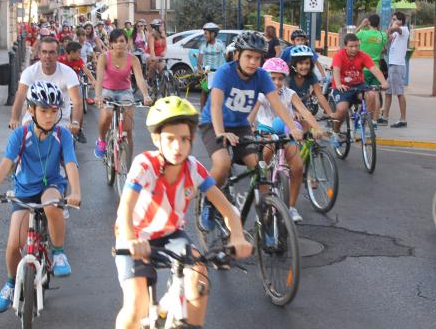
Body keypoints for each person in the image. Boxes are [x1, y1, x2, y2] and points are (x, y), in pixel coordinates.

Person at [114, 96, 252, 329]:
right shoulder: (144, 164)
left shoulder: (193, 168)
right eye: (170, 139)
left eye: (184, 139)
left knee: (199, 278)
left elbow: (227, 209)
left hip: (171, 234)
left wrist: (237, 236)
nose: (178, 147)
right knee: (136, 306)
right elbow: (125, 207)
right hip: (136, 235)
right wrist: (130, 240)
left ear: (192, 140)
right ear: (156, 139)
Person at [0, 81, 82, 313]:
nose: (49, 116)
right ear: (31, 110)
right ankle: (10, 283)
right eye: (43, 110)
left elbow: (70, 164)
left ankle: (58, 253)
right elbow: (6, 163)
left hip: (51, 186)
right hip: (24, 191)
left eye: (54, 111)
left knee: (51, 204)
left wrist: (75, 192)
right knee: (14, 244)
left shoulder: (62, 135)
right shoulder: (20, 134)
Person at [197, 31, 303, 229]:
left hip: (240, 125)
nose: (253, 62)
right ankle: (208, 201)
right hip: (213, 124)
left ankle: (266, 221)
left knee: (259, 168)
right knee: (223, 164)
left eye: (257, 58)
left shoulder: (262, 76)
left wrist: (291, 126)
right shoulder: (224, 72)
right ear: (237, 55)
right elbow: (215, 107)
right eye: (248, 56)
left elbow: (277, 104)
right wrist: (221, 133)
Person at [249, 58, 323, 222]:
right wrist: (250, 129)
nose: (277, 82)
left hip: (284, 130)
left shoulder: (290, 94)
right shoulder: (262, 94)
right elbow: (253, 114)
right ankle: (263, 199)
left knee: (297, 166)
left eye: (280, 78)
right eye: (272, 78)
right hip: (266, 129)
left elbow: (304, 111)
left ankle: (291, 207)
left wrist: (316, 128)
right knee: (264, 161)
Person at [9, 37, 83, 140]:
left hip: (60, 119)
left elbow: (77, 101)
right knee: (23, 141)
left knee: (66, 147)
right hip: (34, 118)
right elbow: (20, 96)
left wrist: (75, 122)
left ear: (58, 54)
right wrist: (14, 118)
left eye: (52, 52)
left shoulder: (68, 72)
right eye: (44, 52)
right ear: (39, 54)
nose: (47, 56)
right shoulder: (29, 72)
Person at [94, 29, 152, 159]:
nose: (119, 44)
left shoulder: (133, 59)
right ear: (111, 44)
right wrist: (98, 96)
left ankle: (129, 163)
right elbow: (99, 79)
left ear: (127, 43)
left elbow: (140, 79)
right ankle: (101, 140)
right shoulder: (104, 57)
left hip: (125, 92)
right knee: (107, 114)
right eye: (115, 41)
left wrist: (146, 95)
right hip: (107, 90)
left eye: (122, 41)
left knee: (128, 129)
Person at [330, 34, 388, 147]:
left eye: (357, 46)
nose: (354, 49)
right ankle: (335, 133)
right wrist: (338, 84)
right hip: (343, 88)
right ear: (345, 46)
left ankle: (364, 123)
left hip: (358, 86)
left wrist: (383, 82)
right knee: (341, 110)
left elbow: (374, 69)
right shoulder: (339, 55)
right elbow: (336, 70)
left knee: (371, 95)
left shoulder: (363, 56)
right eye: (351, 46)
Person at [58, 41, 97, 143]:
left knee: (79, 105)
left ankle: (79, 130)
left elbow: (86, 70)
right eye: (78, 52)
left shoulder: (79, 61)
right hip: (62, 87)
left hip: (75, 86)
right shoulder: (60, 61)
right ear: (71, 52)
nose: (80, 55)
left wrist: (93, 80)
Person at [287, 45, 335, 121]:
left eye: (307, 63)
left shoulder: (311, 76)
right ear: (294, 64)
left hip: (304, 110)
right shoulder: (288, 77)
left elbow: (320, 95)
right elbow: (285, 99)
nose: (305, 66)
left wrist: (330, 113)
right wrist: (293, 111)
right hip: (287, 109)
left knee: (311, 131)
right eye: (301, 63)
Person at [356, 14, 387, 126]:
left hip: (364, 69)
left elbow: (351, 37)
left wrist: (361, 25)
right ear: (378, 24)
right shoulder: (382, 35)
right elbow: (383, 49)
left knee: (364, 95)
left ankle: (362, 117)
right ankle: (374, 120)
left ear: (368, 22)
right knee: (376, 94)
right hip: (376, 69)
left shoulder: (363, 33)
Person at [382, 11, 409, 128]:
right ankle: (385, 117)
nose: (392, 21)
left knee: (399, 93)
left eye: (394, 19)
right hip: (392, 65)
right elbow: (387, 37)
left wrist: (394, 25)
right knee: (388, 92)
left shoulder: (404, 30)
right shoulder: (396, 33)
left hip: (398, 66)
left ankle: (403, 119)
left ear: (401, 21)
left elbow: (395, 29)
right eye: (392, 19)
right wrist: (390, 27)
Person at [197, 22, 225, 111]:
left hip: (218, 72)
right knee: (204, 91)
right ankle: (202, 112)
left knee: (219, 93)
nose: (204, 35)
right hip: (207, 72)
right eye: (204, 33)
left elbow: (226, 57)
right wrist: (199, 69)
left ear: (213, 34)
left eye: (206, 33)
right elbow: (199, 60)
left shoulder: (220, 45)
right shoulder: (203, 45)